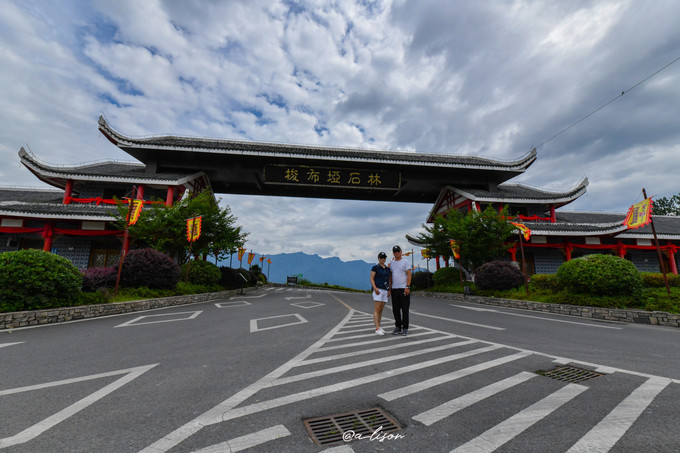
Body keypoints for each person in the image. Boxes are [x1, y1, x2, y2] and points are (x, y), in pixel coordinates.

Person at [389, 245, 411, 336]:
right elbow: (390, 276)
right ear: (393, 253)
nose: (396, 253)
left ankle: (405, 328)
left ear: (401, 252)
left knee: (405, 310)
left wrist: (408, 287)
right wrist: (390, 289)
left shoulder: (405, 262)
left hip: (403, 289)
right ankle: (398, 327)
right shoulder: (391, 263)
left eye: (398, 251)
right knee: (395, 310)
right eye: (395, 251)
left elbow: (409, 275)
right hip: (394, 289)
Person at [370, 252, 391, 335]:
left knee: (381, 310)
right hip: (378, 290)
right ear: (378, 258)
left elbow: (389, 280)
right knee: (377, 309)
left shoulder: (387, 269)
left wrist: (389, 290)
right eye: (381, 257)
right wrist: (375, 288)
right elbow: (372, 278)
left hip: (385, 290)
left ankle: (379, 326)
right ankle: (377, 328)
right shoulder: (375, 267)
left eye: (384, 258)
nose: (383, 259)